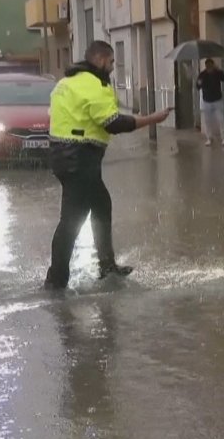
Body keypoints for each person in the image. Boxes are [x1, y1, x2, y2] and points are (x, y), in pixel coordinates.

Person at [44, 40, 171, 290]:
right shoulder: (94, 85)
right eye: (112, 62)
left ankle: (106, 265)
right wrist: (153, 119)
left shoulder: (66, 82)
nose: (113, 67)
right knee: (72, 220)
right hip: (80, 158)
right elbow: (113, 123)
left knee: (101, 205)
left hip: (63, 156)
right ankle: (56, 280)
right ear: (101, 60)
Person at [196, 58, 224, 146]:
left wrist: (219, 70)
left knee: (221, 119)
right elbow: (198, 86)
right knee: (207, 121)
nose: (209, 68)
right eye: (208, 66)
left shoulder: (217, 73)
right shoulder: (202, 75)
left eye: (211, 66)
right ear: (206, 66)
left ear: (213, 66)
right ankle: (209, 138)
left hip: (217, 100)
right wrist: (199, 83)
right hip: (207, 101)